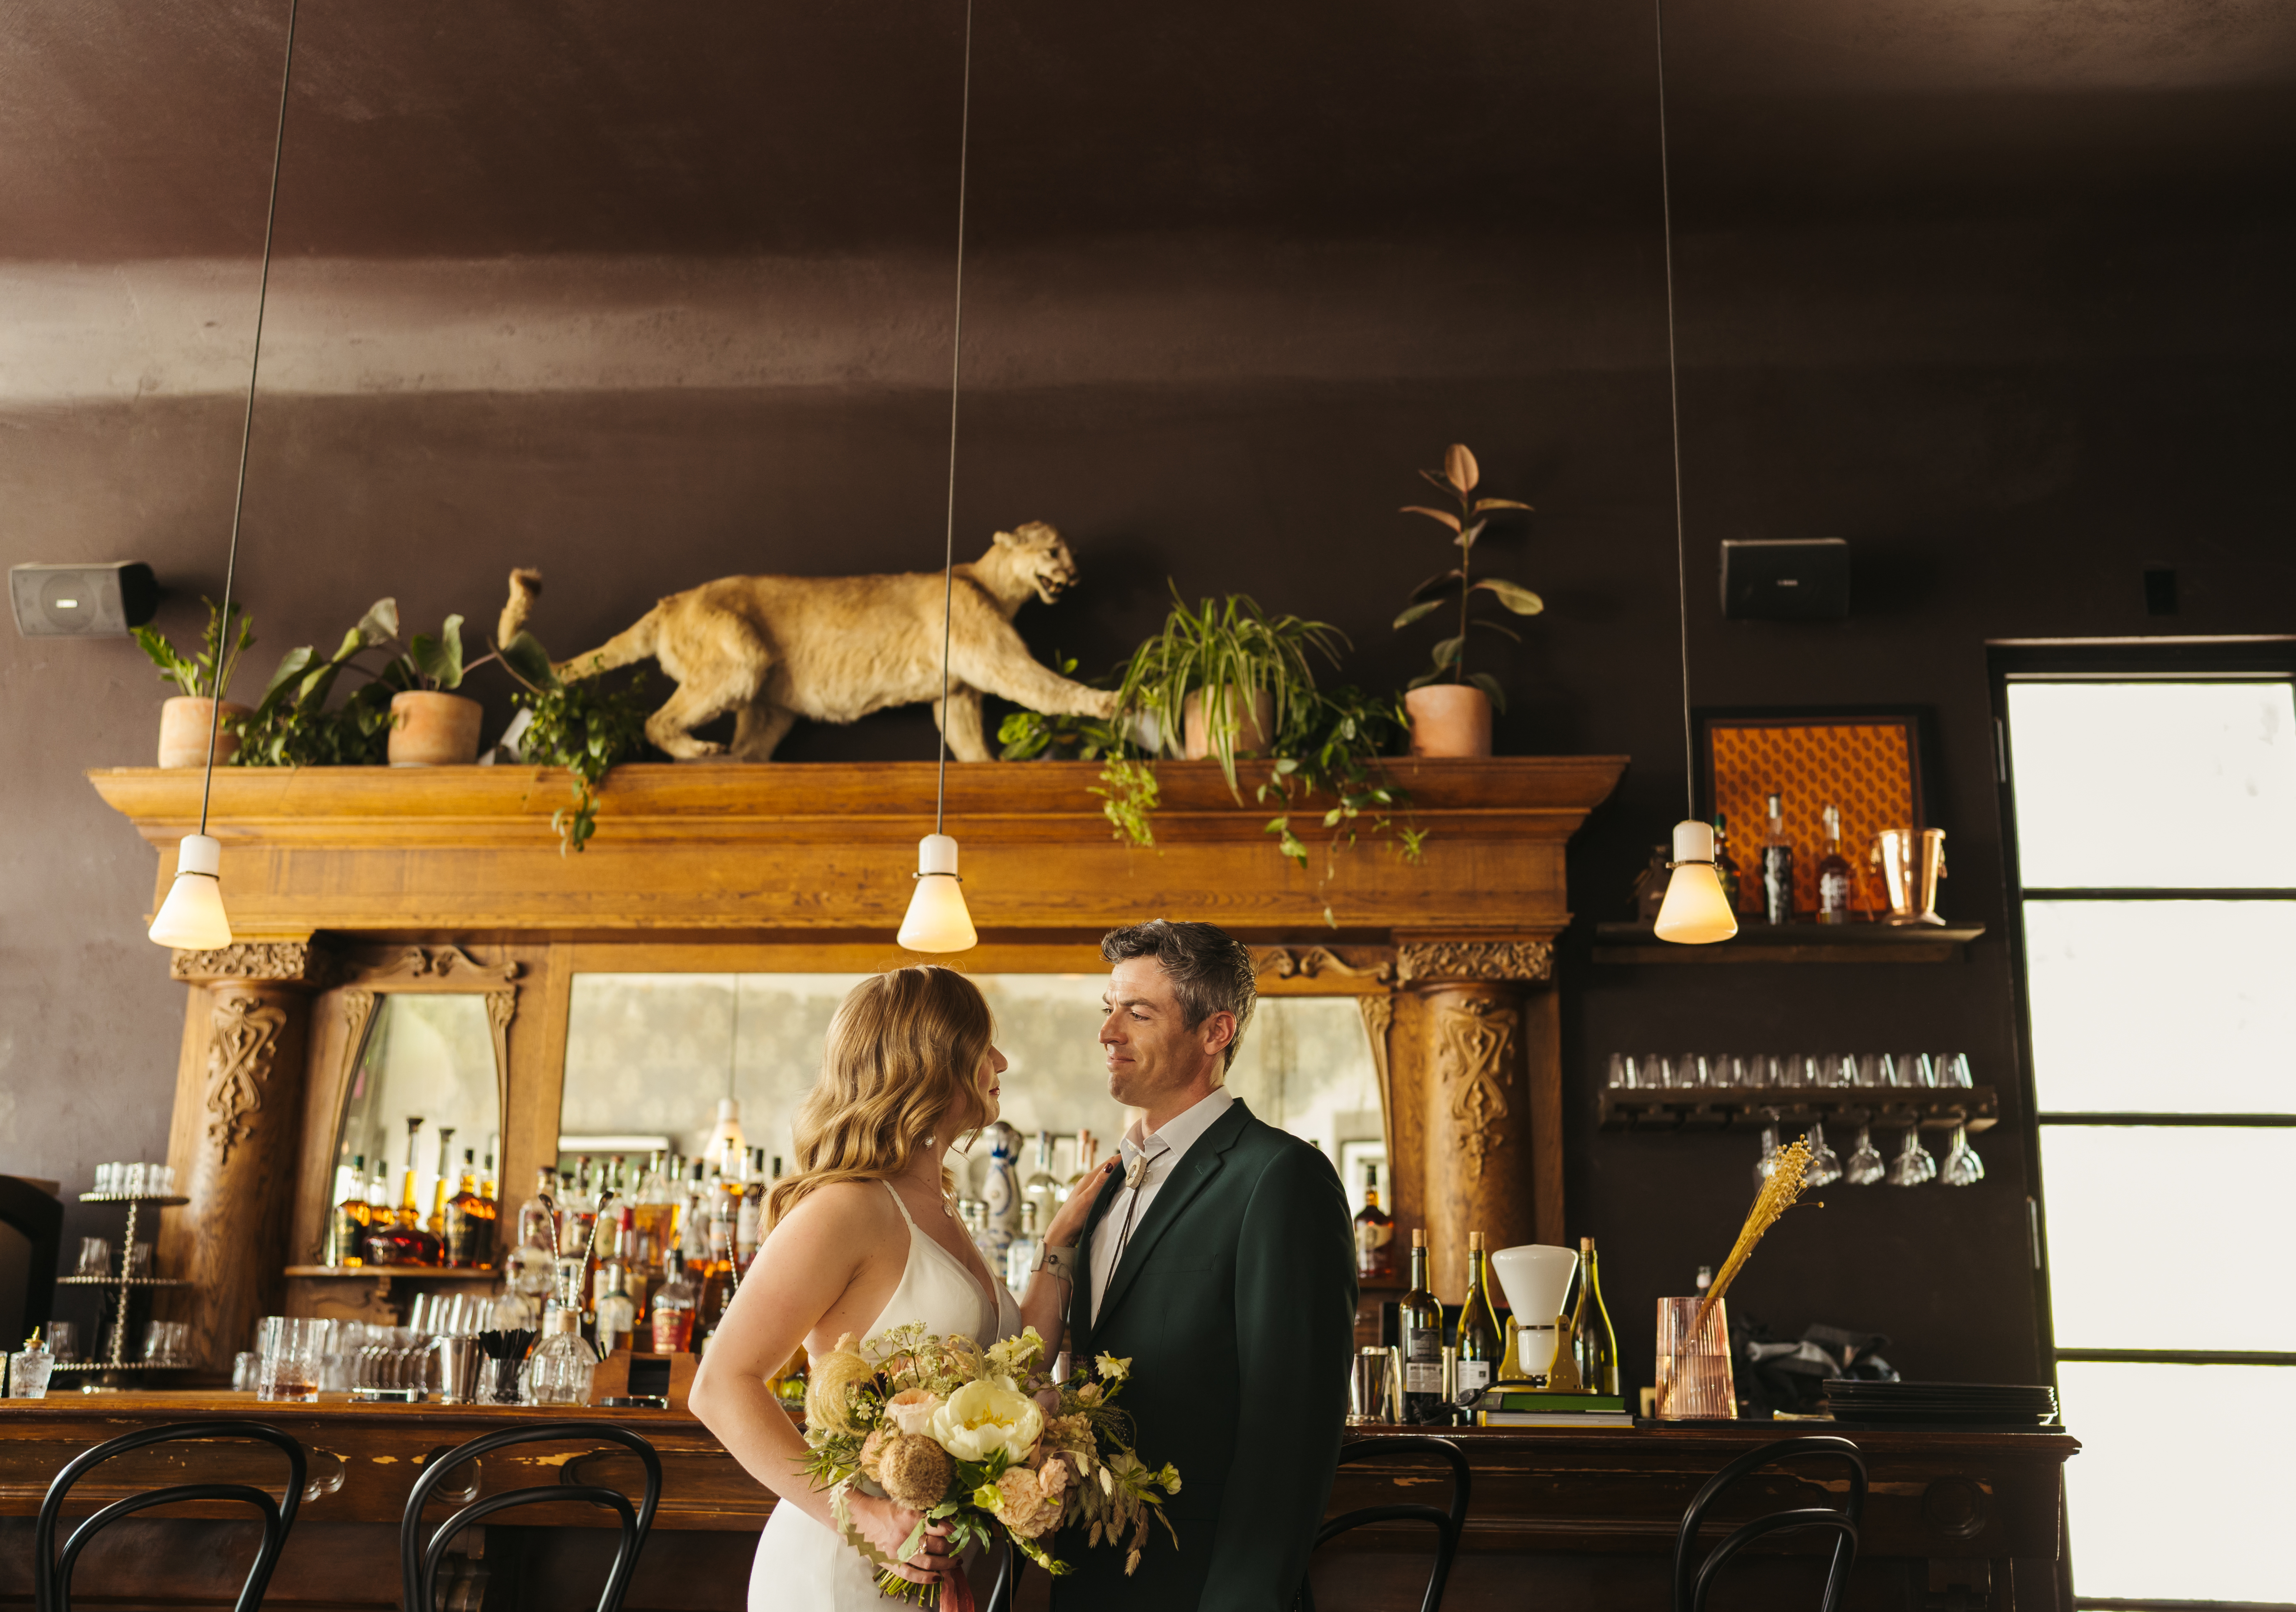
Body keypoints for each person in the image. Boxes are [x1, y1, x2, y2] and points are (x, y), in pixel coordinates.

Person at [691, 965, 1118, 1611]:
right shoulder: (848, 1208)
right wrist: (863, 1517)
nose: (1001, 1060)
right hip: (841, 1569)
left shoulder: (938, 1207)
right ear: (934, 1060)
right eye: (984, 1044)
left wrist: (1058, 1245)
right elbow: (720, 1386)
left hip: (926, 1566)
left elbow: (1015, 1368)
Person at [1044, 920, 1358, 1611]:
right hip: (1090, 1580)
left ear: (1216, 1033)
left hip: (1202, 1588)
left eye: (1139, 1012)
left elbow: (1292, 1433)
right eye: (1109, 1010)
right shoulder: (1106, 1185)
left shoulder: (1281, 1177)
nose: (1108, 1033)